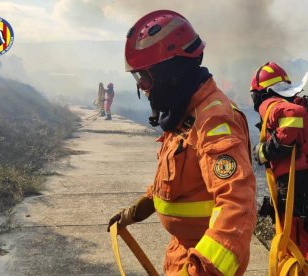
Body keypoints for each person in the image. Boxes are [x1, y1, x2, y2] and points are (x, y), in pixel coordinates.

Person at [108, 10, 257, 275]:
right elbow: (171, 179)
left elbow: (238, 206)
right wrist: (134, 213)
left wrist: (202, 270)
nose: (143, 87)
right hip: (181, 253)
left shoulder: (214, 121)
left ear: (170, 73)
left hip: (202, 260)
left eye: (145, 77)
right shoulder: (183, 114)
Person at [250, 61, 308, 275]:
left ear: (261, 91)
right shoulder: (304, 105)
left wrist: (266, 150)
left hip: (297, 192)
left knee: (294, 254)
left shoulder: (271, 103)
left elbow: (292, 114)